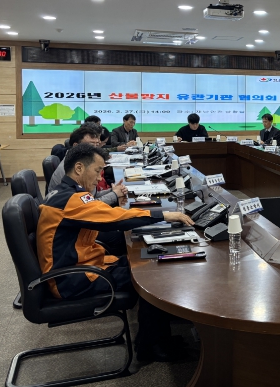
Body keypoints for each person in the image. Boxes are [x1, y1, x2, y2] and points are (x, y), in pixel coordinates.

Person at [37, 143, 194, 362]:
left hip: (82, 267)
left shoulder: (68, 193)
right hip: (72, 279)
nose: (99, 177)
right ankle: (150, 347)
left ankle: (156, 337)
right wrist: (164, 215)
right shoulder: (71, 200)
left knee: (147, 262)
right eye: (97, 171)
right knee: (151, 276)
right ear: (79, 168)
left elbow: (103, 211)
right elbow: (115, 219)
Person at [48, 124, 126, 206]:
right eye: (91, 145)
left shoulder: (80, 162)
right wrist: (114, 194)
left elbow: (91, 195)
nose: (95, 150)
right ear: (76, 146)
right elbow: (87, 204)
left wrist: (113, 190)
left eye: (97, 145)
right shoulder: (69, 169)